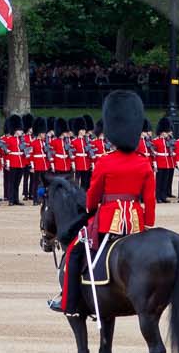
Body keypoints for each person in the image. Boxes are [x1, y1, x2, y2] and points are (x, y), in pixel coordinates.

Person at [50, 90, 156, 314]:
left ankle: (68, 301)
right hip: (136, 222)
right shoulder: (144, 163)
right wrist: (147, 224)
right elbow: (149, 199)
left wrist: (90, 211)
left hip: (109, 222)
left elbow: (93, 196)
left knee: (74, 251)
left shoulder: (105, 162)